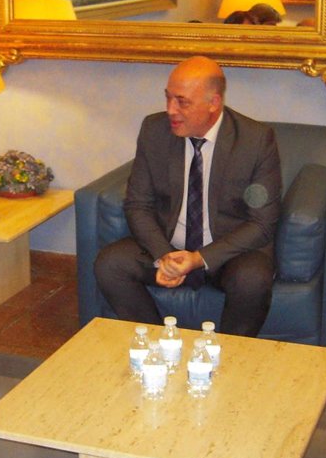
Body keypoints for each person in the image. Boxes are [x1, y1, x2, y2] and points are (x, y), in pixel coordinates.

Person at [94, 56, 282, 336]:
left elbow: (262, 223)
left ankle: (225, 354)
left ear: (213, 103)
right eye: (168, 98)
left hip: (227, 253)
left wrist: (199, 258)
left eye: (182, 102)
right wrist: (164, 256)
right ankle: (158, 344)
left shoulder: (255, 140)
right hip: (168, 244)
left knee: (253, 279)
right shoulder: (154, 130)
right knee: (110, 264)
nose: (171, 110)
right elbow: (138, 205)